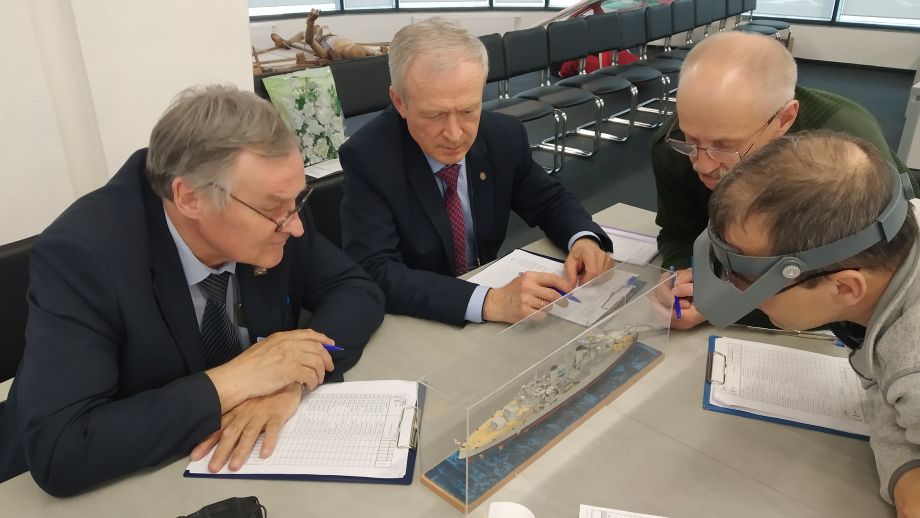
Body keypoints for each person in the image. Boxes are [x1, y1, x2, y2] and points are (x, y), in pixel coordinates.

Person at [0, 85, 385, 496]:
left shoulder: (276, 205)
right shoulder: (84, 257)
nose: (295, 225)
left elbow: (355, 290)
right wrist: (237, 380)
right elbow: (62, 449)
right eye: (274, 208)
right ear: (189, 199)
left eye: (297, 199)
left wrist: (292, 380)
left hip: (237, 466)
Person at [694, 131, 920, 516]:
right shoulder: (893, 239)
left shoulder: (912, 369)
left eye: (753, 285)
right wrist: (905, 467)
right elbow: (884, 394)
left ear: (844, 287)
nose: (737, 290)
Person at [339, 18, 614, 327]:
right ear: (399, 102)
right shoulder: (369, 157)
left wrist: (583, 238)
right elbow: (375, 269)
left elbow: (549, 199)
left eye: (468, 110)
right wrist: (488, 301)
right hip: (420, 319)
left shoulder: (502, 135)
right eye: (434, 114)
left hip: (491, 301)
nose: (455, 134)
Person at [651, 31, 912, 330]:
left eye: (725, 146)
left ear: (785, 119)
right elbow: (678, 231)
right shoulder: (674, 146)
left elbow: (862, 288)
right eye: (691, 139)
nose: (702, 164)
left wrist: (723, 305)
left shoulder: (847, 159)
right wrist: (683, 278)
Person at [305, 9, 387, 61]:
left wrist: (310, 22)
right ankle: (320, 30)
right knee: (325, 28)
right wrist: (377, 54)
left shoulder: (328, 52)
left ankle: (319, 30)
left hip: (323, 37)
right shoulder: (358, 49)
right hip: (331, 36)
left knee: (306, 33)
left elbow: (309, 40)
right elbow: (367, 50)